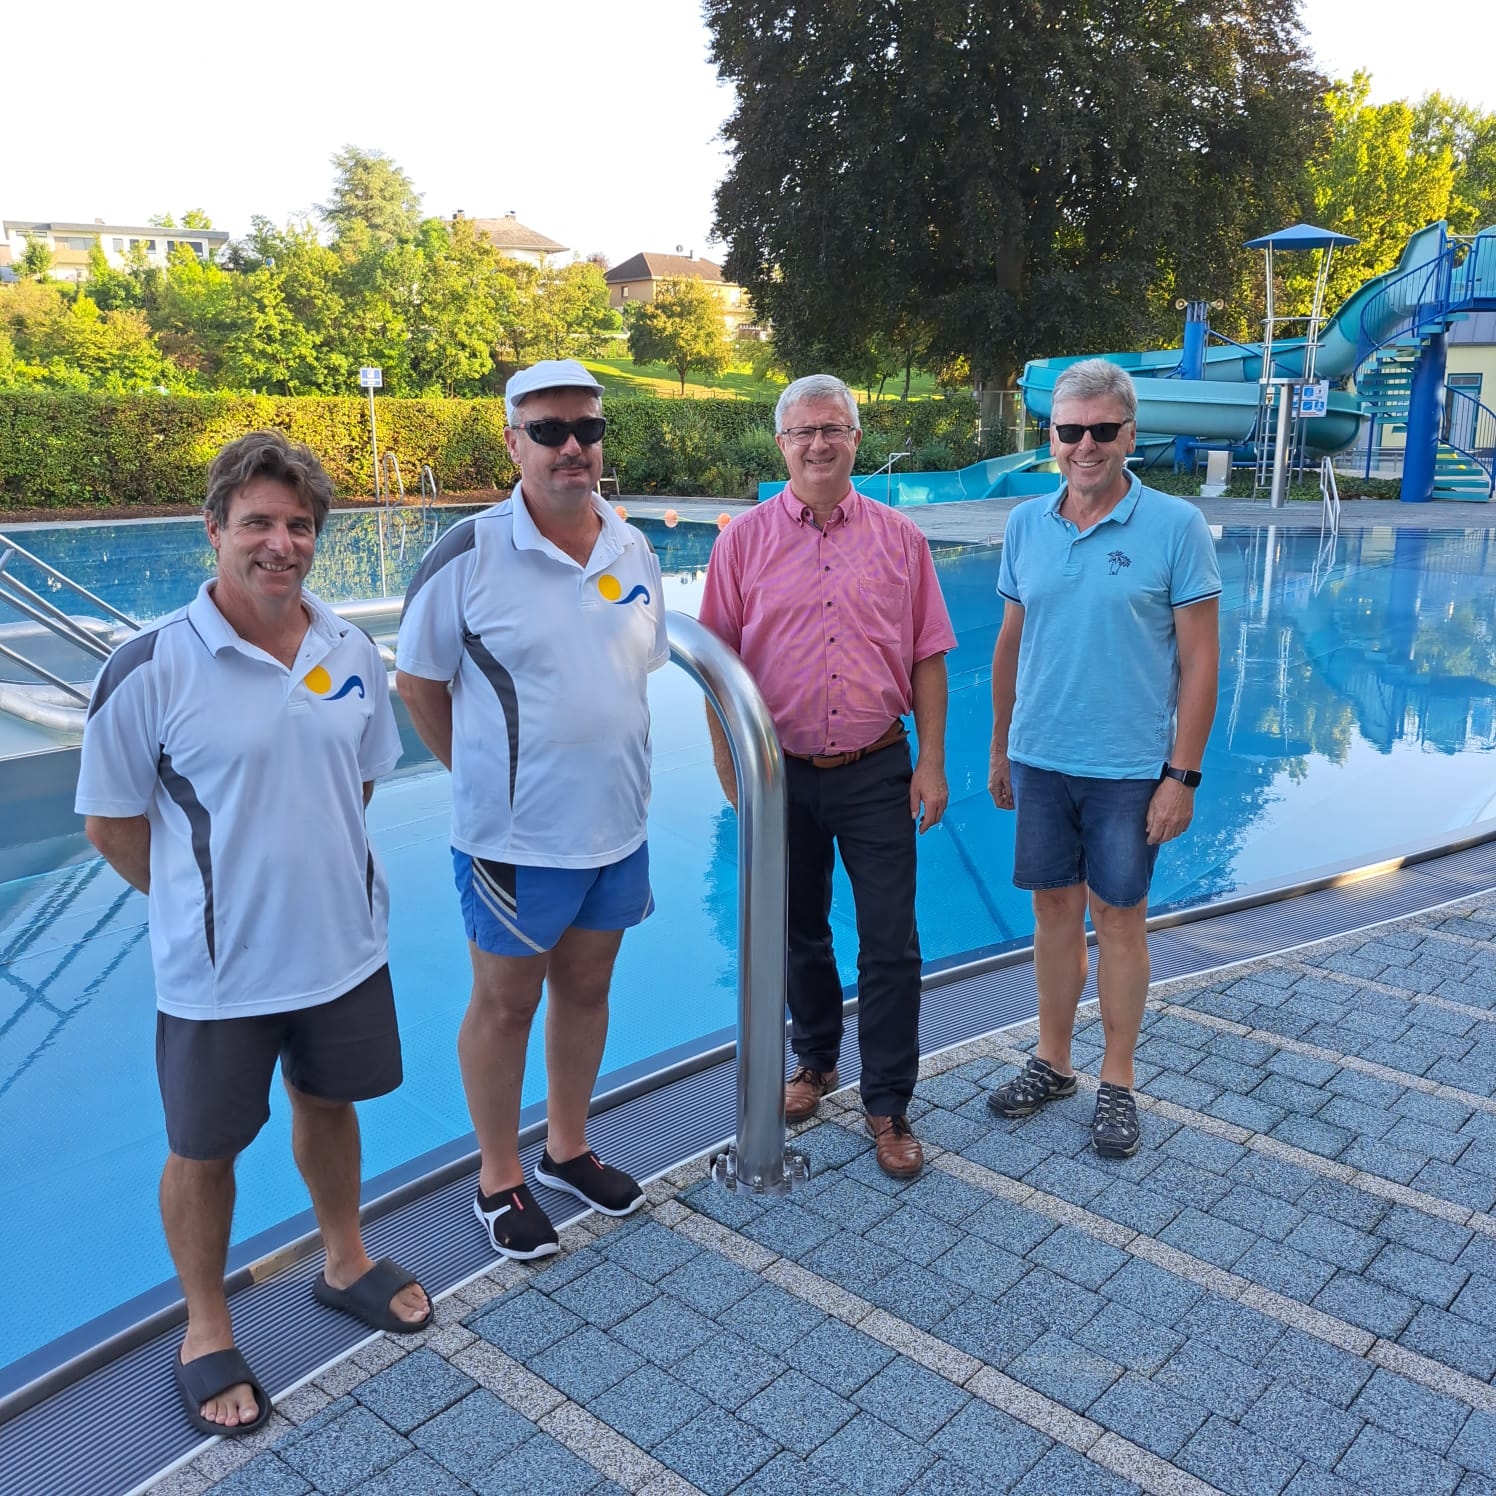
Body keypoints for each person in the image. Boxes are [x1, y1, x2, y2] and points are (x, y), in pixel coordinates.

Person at [76, 431, 431, 1439]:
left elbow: (357, 784)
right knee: (204, 1149)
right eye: (259, 523)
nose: (281, 544)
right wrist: (203, 903)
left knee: (329, 1104)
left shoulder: (347, 648)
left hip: (343, 949)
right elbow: (109, 823)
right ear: (214, 529)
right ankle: (206, 1325)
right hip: (218, 975)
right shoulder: (151, 667)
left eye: (300, 525)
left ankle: (345, 1259)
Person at [396, 359, 667, 1260]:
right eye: (549, 431)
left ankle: (567, 1147)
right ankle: (498, 1174)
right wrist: (486, 783)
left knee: (587, 990)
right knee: (506, 1005)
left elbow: (631, 675)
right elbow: (418, 684)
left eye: (587, 429)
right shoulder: (468, 553)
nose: (571, 447)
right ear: (513, 442)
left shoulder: (631, 546)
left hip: (617, 827)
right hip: (516, 842)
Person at [698, 374, 955, 1178]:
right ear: (782, 444)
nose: (818, 443)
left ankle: (889, 1103)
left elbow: (928, 655)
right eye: (803, 431)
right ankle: (815, 1060)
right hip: (779, 772)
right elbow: (714, 664)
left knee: (890, 941)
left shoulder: (900, 539)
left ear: (855, 440)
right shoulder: (741, 543)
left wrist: (932, 763)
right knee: (795, 930)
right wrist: (732, 770)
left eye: (833, 428)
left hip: (877, 766)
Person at [986, 360, 1220, 1158]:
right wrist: (1000, 747)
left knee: (1119, 918)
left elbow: (1201, 661)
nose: (1085, 445)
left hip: (1127, 768)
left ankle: (1117, 1079)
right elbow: (1011, 643)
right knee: (1052, 912)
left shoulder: (1176, 526)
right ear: (1051, 436)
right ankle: (1053, 1061)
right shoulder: (1027, 524)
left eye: (1102, 430)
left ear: (1130, 434)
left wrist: (1181, 775)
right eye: (1070, 430)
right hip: (1041, 758)